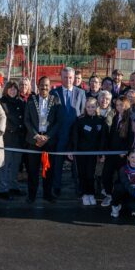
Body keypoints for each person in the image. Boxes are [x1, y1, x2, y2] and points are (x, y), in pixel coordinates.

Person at [24, 76, 62, 203]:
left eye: (46, 85)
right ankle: (32, 195)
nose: (44, 87)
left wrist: (47, 137)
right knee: (32, 170)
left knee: (48, 170)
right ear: (38, 86)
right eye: (42, 85)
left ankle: (47, 194)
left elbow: (58, 122)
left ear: (50, 86)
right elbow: (27, 120)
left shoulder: (56, 100)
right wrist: (36, 135)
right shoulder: (31, 100)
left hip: (49, 141)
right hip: (33, 140)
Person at [52, 67, 86, 198]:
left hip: (75, 135)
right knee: (57, 163)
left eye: (70, 77)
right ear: (61, 78)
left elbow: (82, 113)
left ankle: (78, 188)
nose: (68, 80)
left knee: (76, 166)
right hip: (59, 135)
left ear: (74, 77)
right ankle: (56, 187)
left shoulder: (81, 93)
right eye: (65, 77)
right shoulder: (54, 93)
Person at [101, 96, 135, 207]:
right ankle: (109, 195)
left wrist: (128, 152)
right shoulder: (114, 117)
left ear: (127, 105)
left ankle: (119, 200)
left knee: (121, 179)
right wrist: (104, 152)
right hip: (111, 154)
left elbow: (134, 138)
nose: (119, 107)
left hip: (123, 156)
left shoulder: (131, 120)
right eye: (117, 105)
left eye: (121, 105)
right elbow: (108, 136)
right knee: (106, 175)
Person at [70, 97, 108, 205]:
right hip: (81, 153)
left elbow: (103, 138)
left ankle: (91, 193)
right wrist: (73, 151)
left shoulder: (101, 120)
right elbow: (74, 136)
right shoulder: (80, 120)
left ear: (96, 107)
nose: (90, 109)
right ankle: (84, 194)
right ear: (85, 108)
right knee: (82, 174)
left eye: (92, 106)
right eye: (88, 107)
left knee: (91, 174)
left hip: (94, 153)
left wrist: (101, 153)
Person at [0, 81, 26, 199]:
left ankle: (13, 186)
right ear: (6, 90)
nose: (13, 91)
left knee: (16, 165)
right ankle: (3, 189)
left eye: (15, 89)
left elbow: (24, 119)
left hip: (18, 139)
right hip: (7, 138)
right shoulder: (1, 102)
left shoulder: (21, 102)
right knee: (5, 166)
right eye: (10, 88)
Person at [110, 148, 135, 219]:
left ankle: (131, 207)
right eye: (132, 157)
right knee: (118, 187)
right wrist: (134, 193)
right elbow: (126, 183)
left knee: (133, 206)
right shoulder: (123, 169)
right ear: (128, 158)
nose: (134, 159)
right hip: (127, 192)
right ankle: (115, 206)